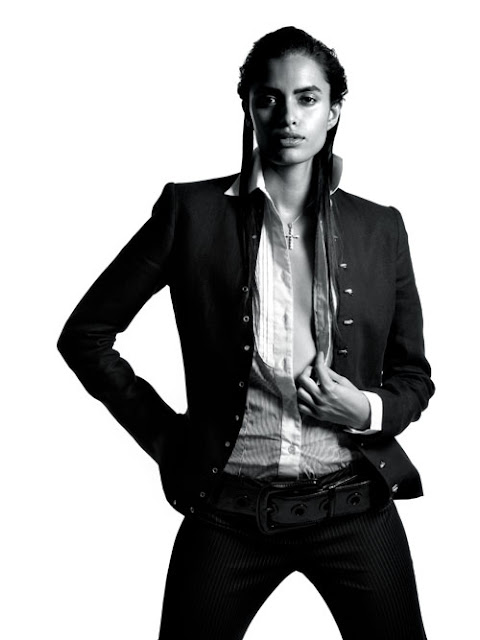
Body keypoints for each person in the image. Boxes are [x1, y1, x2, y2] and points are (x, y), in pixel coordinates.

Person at [57, 26, 434, 640]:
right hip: (228, 513)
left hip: (354, 507)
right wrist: (169, 439)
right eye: (269, 98)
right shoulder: (190, 213)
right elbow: (86, 335)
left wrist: (365, 409)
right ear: (248, 106)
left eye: (307, 98)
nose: (288, 116)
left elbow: (413, 377)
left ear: (334, 110)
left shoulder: (380, 228)